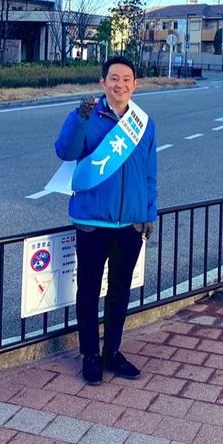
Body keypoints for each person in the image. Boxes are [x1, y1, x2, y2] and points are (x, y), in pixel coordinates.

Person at [55, 56, 157, 385]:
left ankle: (112, 351)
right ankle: (90, 355)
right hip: (92, 221)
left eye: (127, 79)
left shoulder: (144, 123)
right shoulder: (88, 115)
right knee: (88, 291)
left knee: (120, 291)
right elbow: (65, 151)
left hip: (130, 224)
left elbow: (150, 175)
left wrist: (148, 214)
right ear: (103, 83)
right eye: (114, 78)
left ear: (135, 84)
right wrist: (78, 118)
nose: (120, 84)